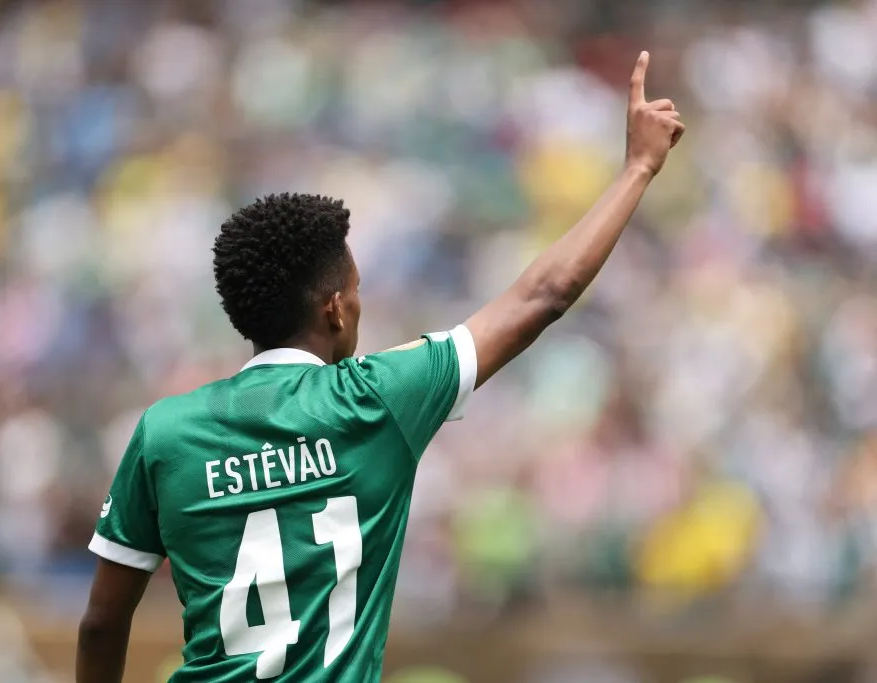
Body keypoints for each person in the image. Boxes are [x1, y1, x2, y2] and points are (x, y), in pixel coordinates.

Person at [76, 52, 684, 683]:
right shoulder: (376, 401)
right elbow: (544, 296)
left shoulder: (166, 433)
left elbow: (100, 622)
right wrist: (639, 167)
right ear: (336, 308)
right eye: (358, 289)